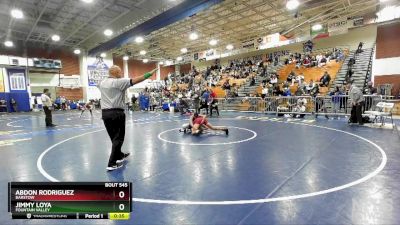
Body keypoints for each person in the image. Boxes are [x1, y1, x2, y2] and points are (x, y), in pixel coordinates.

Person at [99, 65, 157, 171]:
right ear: (115, 73)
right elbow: (137, 80)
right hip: (117, 113)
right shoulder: (119, 82)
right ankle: (111, 163)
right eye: (120, 72)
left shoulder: (102, 82)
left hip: (105, 114)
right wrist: (149, 74)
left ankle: (119, 155)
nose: (121, 73)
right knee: (119, 138)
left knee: (114, 138)